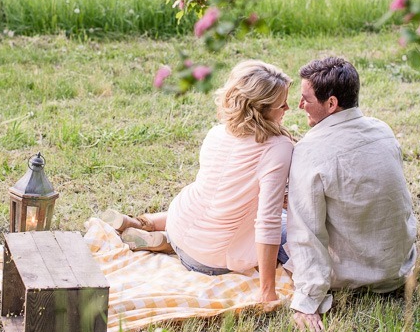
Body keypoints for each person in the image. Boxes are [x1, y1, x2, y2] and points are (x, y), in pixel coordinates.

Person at [101, 59, 294, 303]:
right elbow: (267, 221)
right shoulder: (277, 148)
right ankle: (163, 240)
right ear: (261, 110)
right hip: (210, 260)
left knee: (213, 205)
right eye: (281, 105)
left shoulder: (217, 132)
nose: (287, 108)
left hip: (180, 219)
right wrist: (268, 292)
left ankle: (149, 226)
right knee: (290, 226)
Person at [285, 56, 417, 332]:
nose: (299, 105)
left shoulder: (310, 150)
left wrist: (308, 301)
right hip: (396, 269)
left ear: (331, 104)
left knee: (277, 225)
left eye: (305, 99)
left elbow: (306, 232)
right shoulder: (382, 130)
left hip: (352, 274)